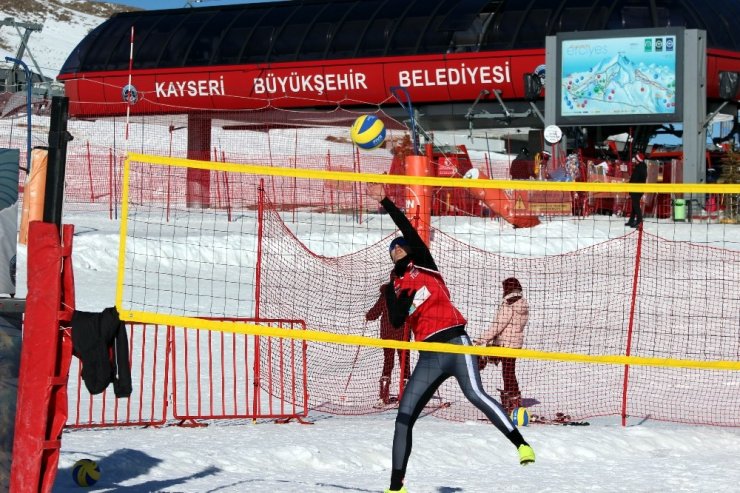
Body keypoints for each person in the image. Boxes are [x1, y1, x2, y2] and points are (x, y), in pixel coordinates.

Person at [366, 183, 535, 493]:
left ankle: (521, 445)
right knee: (403, 416)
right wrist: (395, 296)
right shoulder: (397, 285)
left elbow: (406, 228)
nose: (396, 249)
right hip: (429, 356)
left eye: (401, 246)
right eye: (392, 249)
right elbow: (396, 319)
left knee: (476, 395)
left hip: (456, 344)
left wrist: (386, 201)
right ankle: (395, 486)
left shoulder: (425, 266)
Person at [475, 277, 528, 414]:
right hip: (514, 344)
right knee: (509, 371)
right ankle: (513, 400)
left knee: (507, 373)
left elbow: (497, 326)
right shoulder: (522, 303)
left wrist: (480, 340)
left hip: (505, 344)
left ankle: (511, 402)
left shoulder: (509, 304)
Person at [366, 282, 411, 407]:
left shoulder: (386, 294)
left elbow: (375, 312)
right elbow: (413, 309)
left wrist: (369, 315)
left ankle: (383, 397)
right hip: (403, 334)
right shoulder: (408, 291)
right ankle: (405, 396)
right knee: (405, 363)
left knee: (388, 362)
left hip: (388, 334)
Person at [626, 153, 647, 227]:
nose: (634, 160)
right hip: (637, 189)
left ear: (638, 160)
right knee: (634, 206)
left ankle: (639, 222)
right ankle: (631, 221)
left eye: (636, 159)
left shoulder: (640, 168)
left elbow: (635, 179)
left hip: (636, 189)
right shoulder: (641, 167)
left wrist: (630, 185)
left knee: (636, 206)